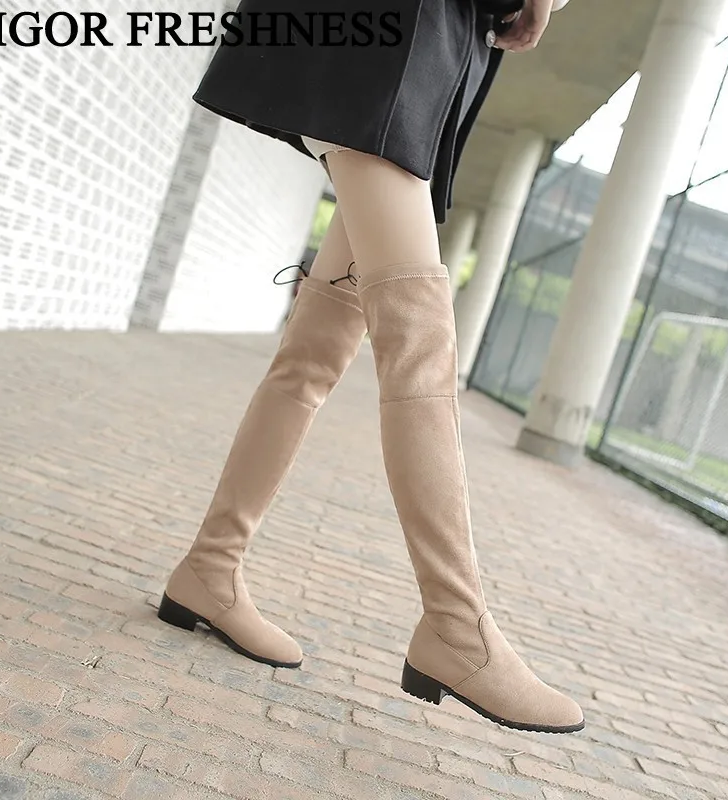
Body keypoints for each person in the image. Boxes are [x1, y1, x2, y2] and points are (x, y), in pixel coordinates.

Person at [158, 0, 584, 734]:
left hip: (423, 49)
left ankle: (209, 567)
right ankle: (456, 625)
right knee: (416, 344)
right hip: (397, 38)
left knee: (314, 353)